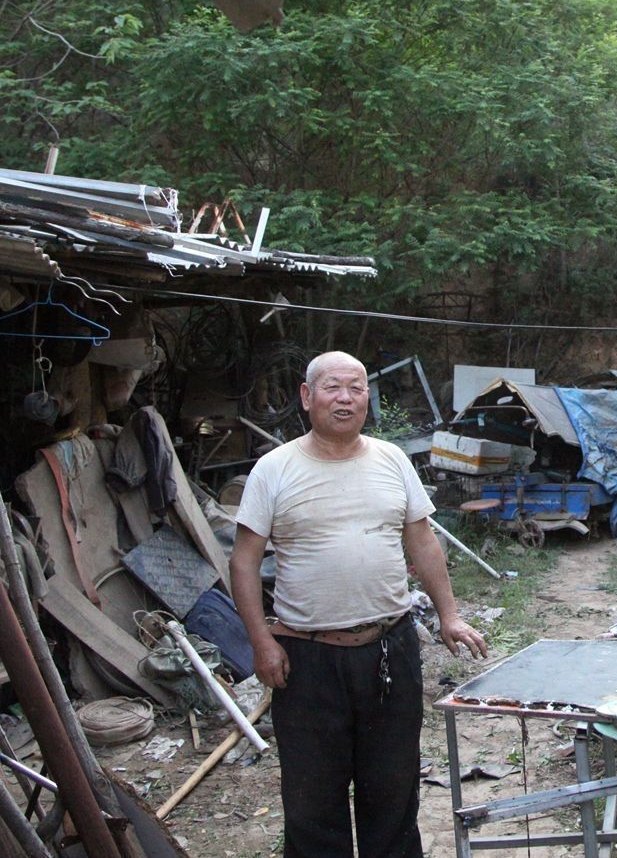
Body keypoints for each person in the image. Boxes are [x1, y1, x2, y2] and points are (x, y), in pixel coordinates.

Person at [231, 351, 487, 858]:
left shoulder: (391, 460)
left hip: (388, 649)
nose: (344, 398)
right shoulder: (274, 469)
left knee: (392, 789)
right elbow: (243, 563)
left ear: (368, 397)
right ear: (307, 397)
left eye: (356, 388)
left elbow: (423, 544)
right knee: (312, 801)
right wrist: (262, 642)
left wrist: (449, 615)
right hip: (307, 659)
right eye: (332, 387)